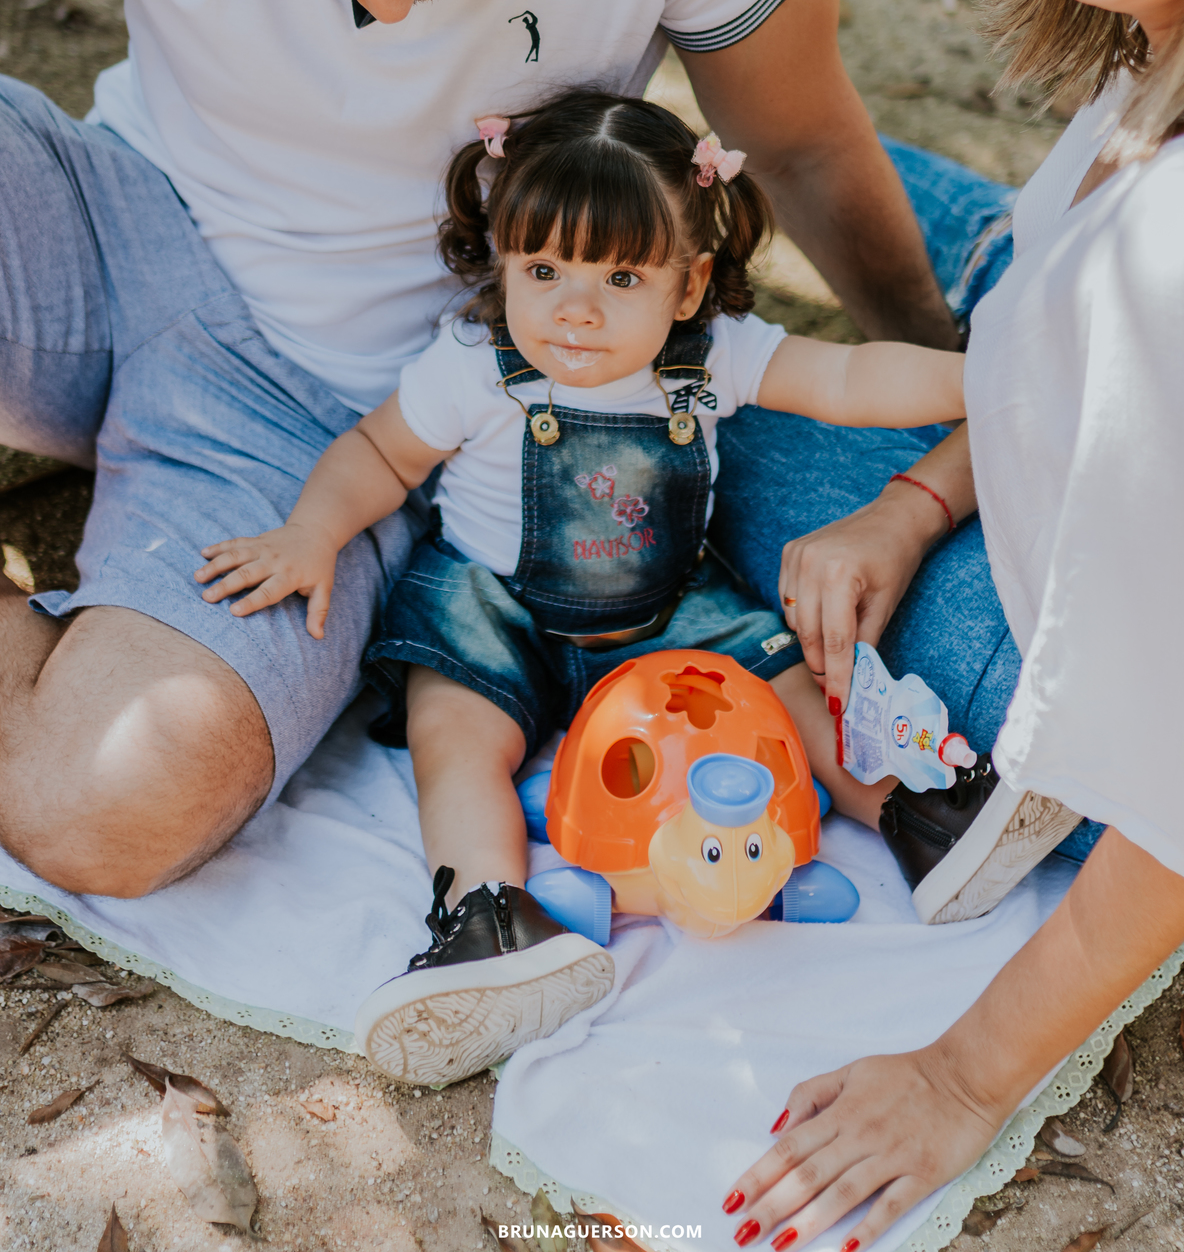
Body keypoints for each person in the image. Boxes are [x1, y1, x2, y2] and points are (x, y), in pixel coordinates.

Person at [0, 0, 960, 898]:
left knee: (108, 807)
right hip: (108, 221)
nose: (388, 11)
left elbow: (800, 144)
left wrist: (966, 406)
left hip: (337, 411)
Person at [716, 0, 1184, 1252]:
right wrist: (912, 496)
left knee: (626, 398)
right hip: (1048, 462)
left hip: (1051, 697)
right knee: (818, 182)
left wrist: (964, 1073)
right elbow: (1064, 337)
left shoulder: (1183, 259)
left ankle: (935, 779)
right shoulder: (1166, 50)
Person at [193, 88, 967, 1086]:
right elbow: (380, 455)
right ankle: (486, 919)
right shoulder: (477, 366)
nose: (575, 308)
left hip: (665, 609)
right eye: (545, 268)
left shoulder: (710, 359)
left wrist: (975, 381)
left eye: (621, 275)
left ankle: (913, 815)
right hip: (496, 604)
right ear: (504, 260)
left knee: (786, 690)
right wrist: (311, 533)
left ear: (687, 288)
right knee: (456, 738)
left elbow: (851, 383)